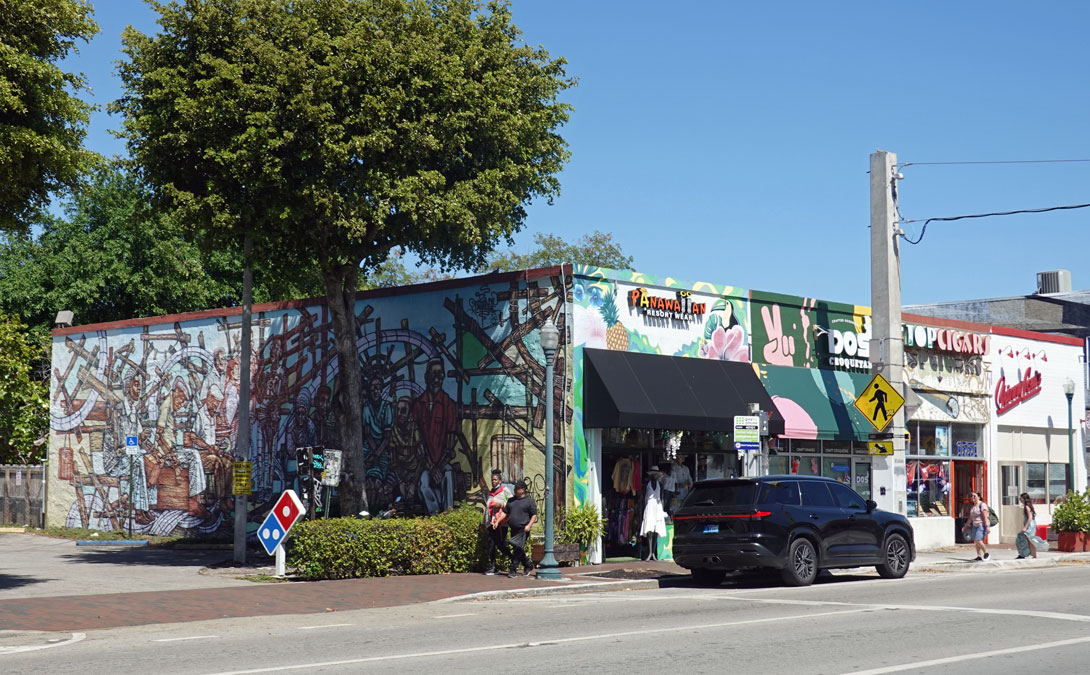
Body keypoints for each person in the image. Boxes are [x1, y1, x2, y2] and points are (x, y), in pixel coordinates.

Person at [494, 479, 537, 577]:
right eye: (515, 488)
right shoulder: (511, 501)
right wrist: (497, 521)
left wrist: (529, 525)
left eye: (517, 488)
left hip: (523, 530)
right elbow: (505, 513)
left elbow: (534, 515)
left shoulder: (529, 501)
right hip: (513, 529)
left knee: (517, 549)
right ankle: (528, 565)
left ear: (523, 490)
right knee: (517, 548)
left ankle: (513, 570)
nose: (515, 490)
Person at [483, 469, 512, 575]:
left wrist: (500, 504)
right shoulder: (490, 492)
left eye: (495, 480)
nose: (493, 481)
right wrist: (484, 522)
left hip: (501, 523)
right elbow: (488, 508)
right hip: (491, 522)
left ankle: (515, 559)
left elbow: (512, 504)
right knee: (491, 544)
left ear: (500, 481)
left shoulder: (505, 490)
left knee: (500, 544)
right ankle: (493, 567)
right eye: (492, 480)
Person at [1016, 492, 1049, 559]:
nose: (1020, 499)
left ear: (1024, 499)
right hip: (1031, 525)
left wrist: (1025, 527)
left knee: (1029, 541)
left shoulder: (1027, 507)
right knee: (1029, 541)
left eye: (1021, 498)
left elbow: (1030, 517)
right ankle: (1029, 555)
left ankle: (1028, 554)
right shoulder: (1028, 506)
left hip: (1029, 526)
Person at [961, 491, 990, 561]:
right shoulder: (973, 507)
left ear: (979, 497)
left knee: (978, 540)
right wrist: (965, 526)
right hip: (975, 525)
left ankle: (986, 553)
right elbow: (970, 518)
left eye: (974, 496)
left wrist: (987, 526)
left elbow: (985, 516)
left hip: (981, 525)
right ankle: (979, 556)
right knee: (976, 541)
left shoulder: (982, 505)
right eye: (971, 496)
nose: (972, 497)